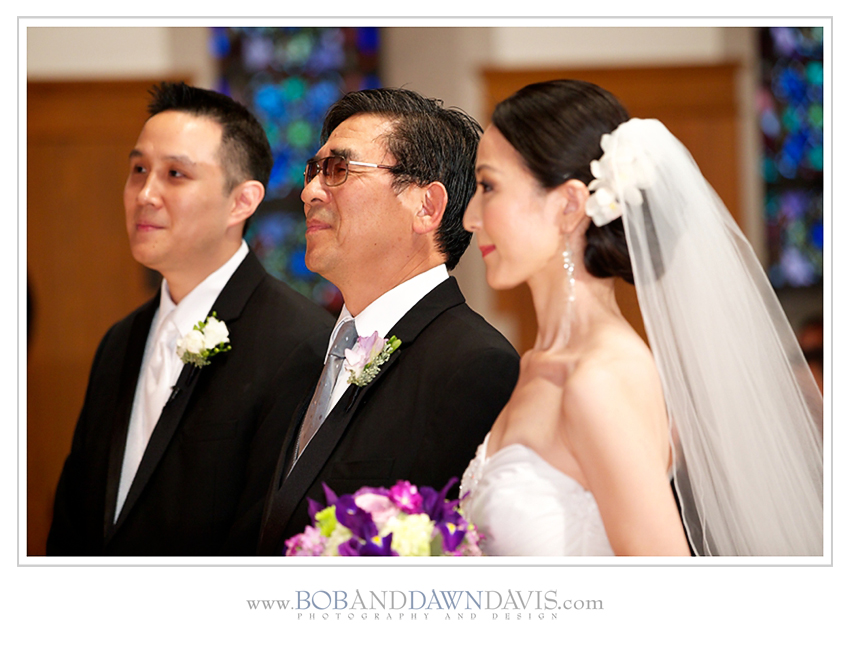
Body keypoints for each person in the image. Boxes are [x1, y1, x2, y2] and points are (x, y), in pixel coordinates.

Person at [460, 80, 823, 556]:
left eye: (488, 186)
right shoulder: (537, 364)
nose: (470, 217)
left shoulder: (599, 376)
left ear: (569, 205)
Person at [47, 82, 334, 556]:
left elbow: (269, 537)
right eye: (139, 170)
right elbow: (75, 516)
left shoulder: (299, 345)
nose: (145, 194)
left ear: (242, 201)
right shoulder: (119, 341)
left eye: (175, 174)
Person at [256, 88, 520, 554]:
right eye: (314, 170)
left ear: (426, 207)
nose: (308, 191)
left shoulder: (474, 366)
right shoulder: (315, 352)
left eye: (338, 169)